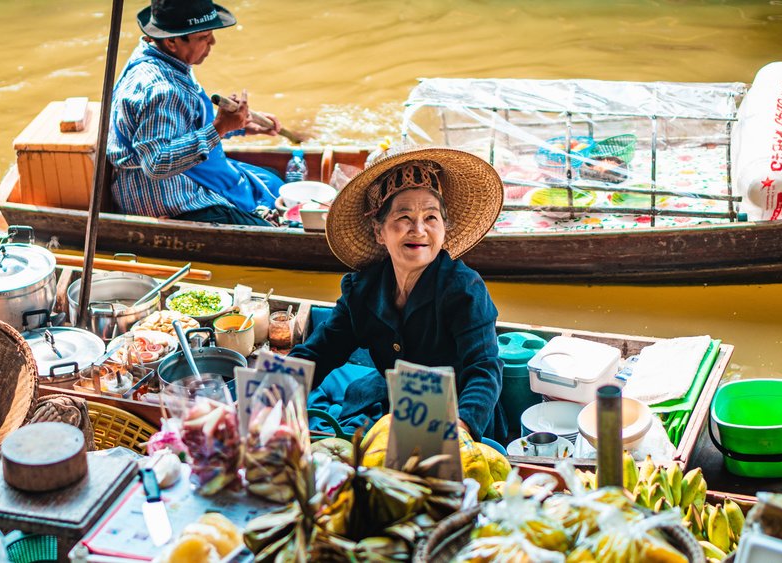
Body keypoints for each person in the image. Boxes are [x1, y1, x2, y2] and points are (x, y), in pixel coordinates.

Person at [290, 145, 509, 444]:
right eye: (404, 217)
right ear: (380, 231)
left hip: (458, 419)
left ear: (444, 228)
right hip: (398, 410)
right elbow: (320, 351)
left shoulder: (464, 289)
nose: (419, 230)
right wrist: (274, 388)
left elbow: (484, 369)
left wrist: (460, 427)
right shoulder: (362, 289)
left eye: (431, 217)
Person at [107, 0, 284, 226]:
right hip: (159, 192)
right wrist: (219, 128)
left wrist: (237, 127)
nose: (213, 42)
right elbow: (156, 163)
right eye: (204, 37)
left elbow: (181, 122)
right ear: (172, 41)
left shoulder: (155, 55)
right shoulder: (162, 90)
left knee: (272, 178)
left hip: (178, 174)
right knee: (265, 227)